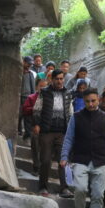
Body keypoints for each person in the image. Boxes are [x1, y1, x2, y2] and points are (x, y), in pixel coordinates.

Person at [60, 88, 105, 208]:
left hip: (100, 161)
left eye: (93, 101)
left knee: (98, 195)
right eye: (88, 101)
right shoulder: (76, 117)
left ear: (98, 100)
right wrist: (64, 156)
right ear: (84, 101)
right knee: (80, 189)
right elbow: (69, 138)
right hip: (80, 159)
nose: (90, 104)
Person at [33, 69, 74, 198]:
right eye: (57, 79)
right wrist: (37, 124)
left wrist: (71, 130)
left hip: (62, 132)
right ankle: (43, 187)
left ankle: (64, 188)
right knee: (45, 160)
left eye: (62, 79)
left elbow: (70, 112)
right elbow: (36, 109)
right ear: (52, 79)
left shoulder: (68, 93)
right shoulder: (44, 92)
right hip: (47, 131)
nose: (60, 81)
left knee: (63, 160)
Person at [22, 77, 48, 175]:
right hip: (34, 127)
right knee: (35, 147)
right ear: (37, 87)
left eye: (45, 86)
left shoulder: (49, 99)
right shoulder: (31, 97)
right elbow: (25, 109)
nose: (42, 88)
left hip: (46, 128)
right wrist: (35, 109)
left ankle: (44, 168)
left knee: (45, 149)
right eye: (41, 86)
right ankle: (36, 167)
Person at [20, 56, 36, 136]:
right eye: (28, 63)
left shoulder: (30, 74)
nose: (29, 65)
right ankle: (19, 130)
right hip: (18, 97)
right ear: (24, 62)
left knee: (27, 116)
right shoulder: (19, 71)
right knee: (19, 115)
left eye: (30, 64)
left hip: (27, 98)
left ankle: (27, 134)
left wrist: (33, 99)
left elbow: (33, 88)